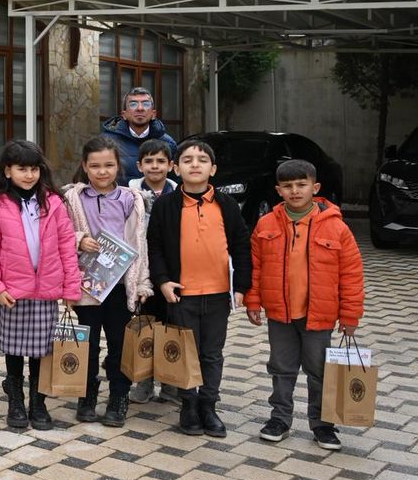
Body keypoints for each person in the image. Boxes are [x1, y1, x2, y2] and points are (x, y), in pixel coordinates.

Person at [246, 159, 364, 451]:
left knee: (320, 370)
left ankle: (323, 424)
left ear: (315, 187)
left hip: (319, 316)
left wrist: (350, 315)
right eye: (287, 186)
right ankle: (279, 419)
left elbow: (352, 274)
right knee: (281, 368)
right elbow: (255, 268)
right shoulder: (265, 224)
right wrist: (253, 300)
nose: (295, 191)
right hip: (280, 314)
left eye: (301, 185)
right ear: (278, 190)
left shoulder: (336, 227)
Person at [147, 139, 252, 438]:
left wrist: (241, 286)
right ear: (175, 168)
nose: (195, 164)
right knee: (184, 351)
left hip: (218, 294)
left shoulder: (227, 205)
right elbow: (155, 246)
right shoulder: (166, 205)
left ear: (213, 169)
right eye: (188, 160)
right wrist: (162, 280)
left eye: (202, 160)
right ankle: (188, 405)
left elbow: (241, 246)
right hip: (181, 294)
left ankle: (208, 405)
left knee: (212, 353)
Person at [0, 140, 80, 431]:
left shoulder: (54, 202)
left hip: (46, 290)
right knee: (14, 350)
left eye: (34, 169)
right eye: (22, 169)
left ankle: (38, 401)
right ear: (7, 171)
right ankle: (16, 400)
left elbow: (67, 246)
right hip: (12, 290)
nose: (29, 175)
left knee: (41, 350)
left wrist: (71, 288)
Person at [61, 135, 151, 427]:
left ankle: (118, 398)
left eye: (109, 165)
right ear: (85, 166)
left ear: (118, 166)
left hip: (120, 285)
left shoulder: (130, 199)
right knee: (87, 345)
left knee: (119, 345)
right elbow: (59, 233)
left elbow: (139, 243)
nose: (102, 171)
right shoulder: (73, 198)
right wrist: (79, 239)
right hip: (87, 285)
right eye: (95, 166)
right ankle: (86, 396)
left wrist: (142, 284)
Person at [127, 138, 180, 406]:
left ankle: (170, 383)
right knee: (144, 325)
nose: (155, 166)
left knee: (172, 325)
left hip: (171, 272)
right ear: (139, 166)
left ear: (171, 165)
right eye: (149, 161)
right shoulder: (130, 194)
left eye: (161, 161)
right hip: (141, 272)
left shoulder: (179, 194)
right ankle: (144, 381)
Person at [100, 87, 178, 185]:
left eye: (146, 104)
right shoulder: (106, 142)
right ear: (124, 115)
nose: (140, 108)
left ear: (153, 114)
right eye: (133, 104)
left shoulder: (168, 143)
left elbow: (175, 182)